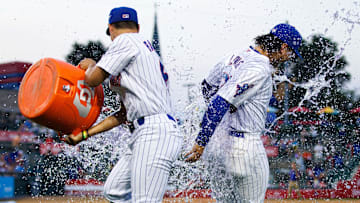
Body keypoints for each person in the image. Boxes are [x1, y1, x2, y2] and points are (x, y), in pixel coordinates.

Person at [64, 7, 183, 202]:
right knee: (114, 191)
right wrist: (85, 134)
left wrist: (93, 65)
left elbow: (92, 80)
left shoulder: (125, 40)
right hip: (145, 131)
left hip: (155, 132)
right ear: (137, 26)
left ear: (111, 28)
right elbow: (122, 114)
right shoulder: (141, 50)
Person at [185, 23, 303, 202]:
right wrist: (200, 142)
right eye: (290, 53)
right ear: (283, 47)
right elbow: (219, 103)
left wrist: (222, 115)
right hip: (244, 147)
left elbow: (207, 87)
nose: (289, 58)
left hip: (218, 146)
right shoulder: (260, 67)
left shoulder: (235, 56)